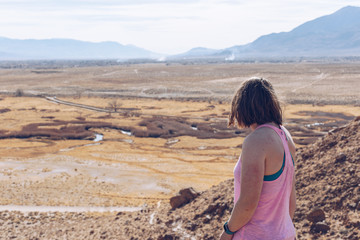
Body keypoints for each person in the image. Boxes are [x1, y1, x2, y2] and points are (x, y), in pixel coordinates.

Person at [219, 78, 296, 240]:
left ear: (243, 106)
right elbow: (290, 198)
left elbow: (248, 203)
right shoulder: (285, 136)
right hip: (284, 234)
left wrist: (227, 231)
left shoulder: (257, 140)